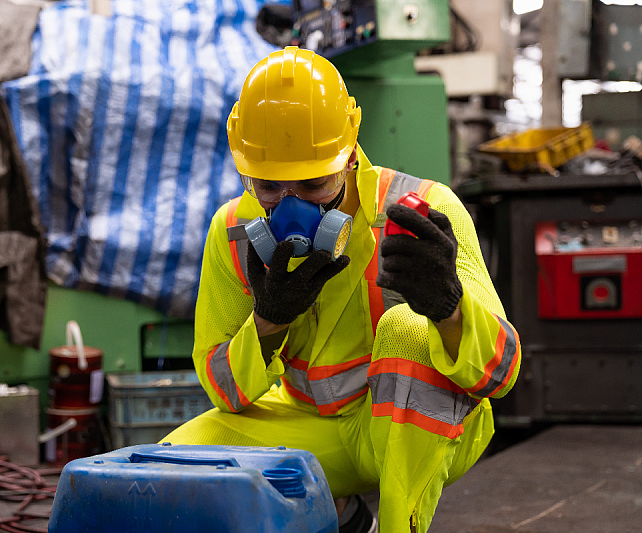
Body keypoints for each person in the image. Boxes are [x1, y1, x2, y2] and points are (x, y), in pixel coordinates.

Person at [163, 46, 521, 533]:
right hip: (310, 429)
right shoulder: (233, 232)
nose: (292, 209)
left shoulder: (423, 211)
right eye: (269, 187)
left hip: (409, 431)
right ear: (246, 173)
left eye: (314, 184)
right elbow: (225, 392)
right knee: (172, 470)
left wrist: (449, 311)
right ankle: (339, 513)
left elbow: (499, 375)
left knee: (406, 328)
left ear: (350, 155)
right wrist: (270, 321)